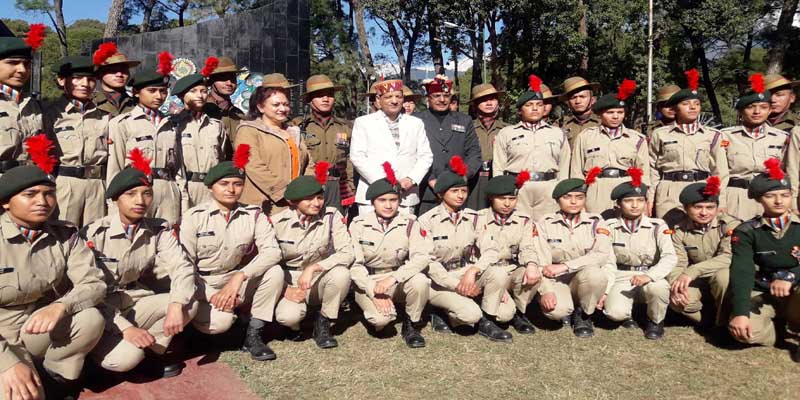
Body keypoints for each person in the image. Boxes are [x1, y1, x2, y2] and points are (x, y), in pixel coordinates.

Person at [0, 135, 105, 399]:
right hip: (2, 334)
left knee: (90, 318)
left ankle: (55, 377)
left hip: (38, 324)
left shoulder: (65, 234)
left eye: (49, 194)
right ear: (5, 202)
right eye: (30, 194)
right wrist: (7, 364)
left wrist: (61, 306)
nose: (42, 201)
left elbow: (93, 283)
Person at [86, 149, 198, 378]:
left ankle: (153, 352)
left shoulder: (158, 230)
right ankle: (96, 356)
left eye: (146, 193)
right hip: (102, 308)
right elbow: (87, 291)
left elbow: (182, 266)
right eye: (131, 194)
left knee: (188, 303)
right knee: (127, 358)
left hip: (136, 300)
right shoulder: (94, 234)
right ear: (115, 199)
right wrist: (125, 328)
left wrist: (176, 304)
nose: (140, 201)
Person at [180, 145, 285, 361]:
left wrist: (240, 276)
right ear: (211, 187)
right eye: (224, 184)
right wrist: (212, 295)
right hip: (202, 284)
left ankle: (254, 333)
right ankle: (194, 331)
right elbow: (185, 265)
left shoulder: (253, 214)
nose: (231, 189)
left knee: (274, 271)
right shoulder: (194, 216)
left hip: (234, 278)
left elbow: (272, 251)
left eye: (237, 184)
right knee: (220, 323)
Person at [419, 156, 514, 342]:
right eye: (455, 191)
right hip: (439, 281)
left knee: (506, 312)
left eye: (464, 190)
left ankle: (487, 319)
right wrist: (457, 286)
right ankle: (441, 310)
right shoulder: (426, 221)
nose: (461, 195)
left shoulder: (474, 218)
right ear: (441, 194)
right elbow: (428, 262)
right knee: (470, 315)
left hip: (466, 273)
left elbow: (491, 250)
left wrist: (473, 271)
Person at [272, 164, 354, 349]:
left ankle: (323, 322)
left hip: (318, 277)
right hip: (290, 280)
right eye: (309, 199)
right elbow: (269, 263)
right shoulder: (277, 223)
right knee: (288, 317)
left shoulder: (331, 216)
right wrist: (285, 289)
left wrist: (314, 268)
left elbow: (347, 252)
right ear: (293, 201)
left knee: (341, 273)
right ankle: (294, 326)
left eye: (319, 197)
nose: (316, 203)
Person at [349, 162, 429, 347]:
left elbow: (421, 257)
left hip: (397, 278)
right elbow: (355, 264)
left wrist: (393, 278)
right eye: (382, 200)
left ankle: (411, 324)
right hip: (369, 279)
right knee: (381, 321)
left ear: (399, 201)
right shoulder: (359, 224)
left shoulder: (410, 223)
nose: (388, 205)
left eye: (393, 200)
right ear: (372, 202)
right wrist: (372, 289)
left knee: (421, 281)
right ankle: (368, 307)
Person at [519, 178, 612, 338]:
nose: (574, 202)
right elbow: (541, 261)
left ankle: (584, 315)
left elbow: (601, 255)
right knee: (556, 311)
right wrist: (546, 290)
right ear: (557, 200)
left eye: (579, 197)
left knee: (596, 275)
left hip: (583, 276)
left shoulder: (596, 222)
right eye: (567, 197)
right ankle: (566, 308)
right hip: (555, 279)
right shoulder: (545, 223)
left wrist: (566, 266)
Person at [728, 160, 800, 361]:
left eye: (785, 195)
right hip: (765, 292)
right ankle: (778, 331)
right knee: (744, 333)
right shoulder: (746, 231)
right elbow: (742, 271)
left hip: (796, 292)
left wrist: (790, 276)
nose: (779, 201)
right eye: (770, 196)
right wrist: (741, 313)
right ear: (759, 199)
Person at [106, 52, 185, 224]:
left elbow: (179, 169)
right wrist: (113, 205)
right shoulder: (122, 124)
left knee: (167, 234)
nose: (158, 96)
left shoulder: (171, 124)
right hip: (136, 191)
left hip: (168, 191)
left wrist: (182, 199)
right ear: (136, 92)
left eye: (163, 91)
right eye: (152, 91)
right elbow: (115, 167)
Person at [649, 68, 728, 226]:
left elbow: (720, 172)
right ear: (675, 109)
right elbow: (652, 170)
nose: (692, 107)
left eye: (696, 104)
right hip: (669, 192)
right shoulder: (660, 134)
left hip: (701, 190)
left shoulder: (713, 135)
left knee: (699, 232)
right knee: (667, 232)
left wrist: (720, 199)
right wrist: (650, 199)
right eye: (686, 104)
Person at [603, 171, 676, 339]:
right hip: (621, 275)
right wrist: (606, 291)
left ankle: (655, 320)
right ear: (619, 204)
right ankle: (628, 314)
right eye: (628, 201)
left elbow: (669, 257)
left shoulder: (658, 226)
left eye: (640, 200)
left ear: (645, 202)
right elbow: (608, 262)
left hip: (649, 274)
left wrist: (649, 276)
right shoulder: (610, 227)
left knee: (659, 288)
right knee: (615, 313)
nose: (635, 205)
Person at [43, 56, 109, 227]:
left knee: (96, 232)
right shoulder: (50, 114)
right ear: (61, 80)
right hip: (65, 183)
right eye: (77, 78)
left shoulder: (104, 117)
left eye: (91, 79)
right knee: (63, 231)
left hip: (97, 185)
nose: (85, 84)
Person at [350, 79, 433, 216]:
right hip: (372, 195)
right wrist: (382, 182)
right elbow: (357, 156)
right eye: (389, 97)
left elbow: (426, 156)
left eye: (398, 97)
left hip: (406, 196)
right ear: (378, 99)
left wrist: (411, 179)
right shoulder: (364, 123)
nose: (394, 101)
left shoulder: (415, 123)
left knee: (404, 229)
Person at [493, 75, 570, 220]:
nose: (535, 108)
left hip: (549, 188)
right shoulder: (506, 133)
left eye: (539, 105)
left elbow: (564, 165)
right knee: (518, 226)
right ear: (520, 110)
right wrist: (502, 193)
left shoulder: (557, 133)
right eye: (529, 105)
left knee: (548, 226)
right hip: (518, 189)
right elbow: (498, 166)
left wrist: (561, 190)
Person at [570, 79, 650, 218]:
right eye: (610, 112)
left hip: (627, 189)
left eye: (620, 112)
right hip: (596, 189)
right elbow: (576, 172)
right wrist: (578, 200)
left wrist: (645, 199)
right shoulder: (586, 137)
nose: (615, 116)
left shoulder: (636, 139)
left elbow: (644, 173)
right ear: (600, 114)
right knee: (596, 225)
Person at [234, 82, 314, 215]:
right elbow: (253, 166)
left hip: (296, 203)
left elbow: (308, 163)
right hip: (263, 204)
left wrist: (307, 191)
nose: (282, 109)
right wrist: (284, 192)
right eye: (276, 105)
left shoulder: (294, 132)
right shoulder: (247, 130)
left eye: (286, 104)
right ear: (260, 107)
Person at [476, 173, 541, 334]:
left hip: (510, 268)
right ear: (491, 198)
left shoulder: (523, 220)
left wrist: (532, 265)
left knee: (533, 273)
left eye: (512, 199)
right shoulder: (478, 218)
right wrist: (499, 286)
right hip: (488, 272)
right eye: (502, 199)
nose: (507, 204)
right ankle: (485, 314)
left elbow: (527, 247)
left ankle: (520, 312)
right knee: (504, 315)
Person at [669, 177, 738, 326]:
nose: (704, 213)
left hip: (721, 275)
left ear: (717, 208)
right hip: (698, 280)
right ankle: (710, 322)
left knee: (723, 277)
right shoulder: (680, 231)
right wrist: (675, 287)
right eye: (698, 207)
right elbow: (678, 263)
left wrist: (693, 271)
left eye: (710, 207)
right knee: (680, 301)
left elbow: (728, 257)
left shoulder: (729, 226)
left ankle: (724, 325)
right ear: (686, 208)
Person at [721, 73, 788, 221]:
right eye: (751, 107)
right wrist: (720, 202)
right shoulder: (725, 136)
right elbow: (719, 173)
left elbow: (787, 172)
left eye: (763, 107)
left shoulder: (782, 138)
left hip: (769, 198)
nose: (757, 112)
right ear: (741, 111)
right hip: (737, 198)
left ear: (769, 111)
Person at [416, 75, 482, 215]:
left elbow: (474, 153)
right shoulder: (416, 121)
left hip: (457, 191)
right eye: (436, 96)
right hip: (426, 192)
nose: (442, 100)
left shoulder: (464, 120)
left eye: (446, 96)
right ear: (428, 98)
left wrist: (463, 176)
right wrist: (431, 179)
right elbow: (412, 154)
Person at [292, 75, 355, 214]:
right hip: (309, 184)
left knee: (336, 222)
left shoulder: (345, 127)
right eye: (320, 95)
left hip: (338, 185)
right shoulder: (298, 127)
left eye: (329, 95)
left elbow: (348, 158)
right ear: (310, 99)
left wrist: (350, 184)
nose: (326, 99)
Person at [171, 58, 228, 210]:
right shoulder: (174, 126)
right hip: (185, 188)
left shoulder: (216, 126)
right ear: (181, 96)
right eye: (193, 91)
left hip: (211, 188)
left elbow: (222, 157)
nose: (200, 95)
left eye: (203, 91)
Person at [0, 25, 44, 176]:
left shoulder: (34, 105)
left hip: (28, 181)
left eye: (26, 64)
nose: (22, 70)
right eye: (13, 63)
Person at [469, 83, 509, 211]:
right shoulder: (468, 128)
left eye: (492, 99)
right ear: (475, 104)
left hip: (498, 176)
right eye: (483, 100)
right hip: (474, 178)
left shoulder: (507, 129)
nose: (489, 103)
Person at [203, 56, 246, 143]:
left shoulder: (238, 114)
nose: (229, 83)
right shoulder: (202, 111)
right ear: (211, 81)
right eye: (223, 78)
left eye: (232, 79)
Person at [91, 42, 140, 116]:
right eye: (113, 70)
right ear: (99, 74)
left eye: (124, 70)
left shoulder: (137, 103)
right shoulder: (90, 102)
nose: (119, 74)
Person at [558, 76, 601, 147]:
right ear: (568, 102)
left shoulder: (602, 122)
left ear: (593, 100)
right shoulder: (560, 124)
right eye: (573, 98)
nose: (578, 101)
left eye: (582, 97)